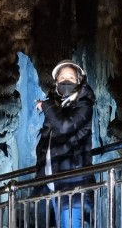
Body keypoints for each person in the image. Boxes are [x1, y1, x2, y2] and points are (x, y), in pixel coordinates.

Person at [35, 60, 95, 228]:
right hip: (56, 185)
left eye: (70, 77)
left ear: (79, 80)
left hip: (73, 186)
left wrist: (46, 106)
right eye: (62, 78)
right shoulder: (59, 106)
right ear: (56, 83)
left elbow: (65, 126)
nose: (66, 81)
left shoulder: (84, 106)